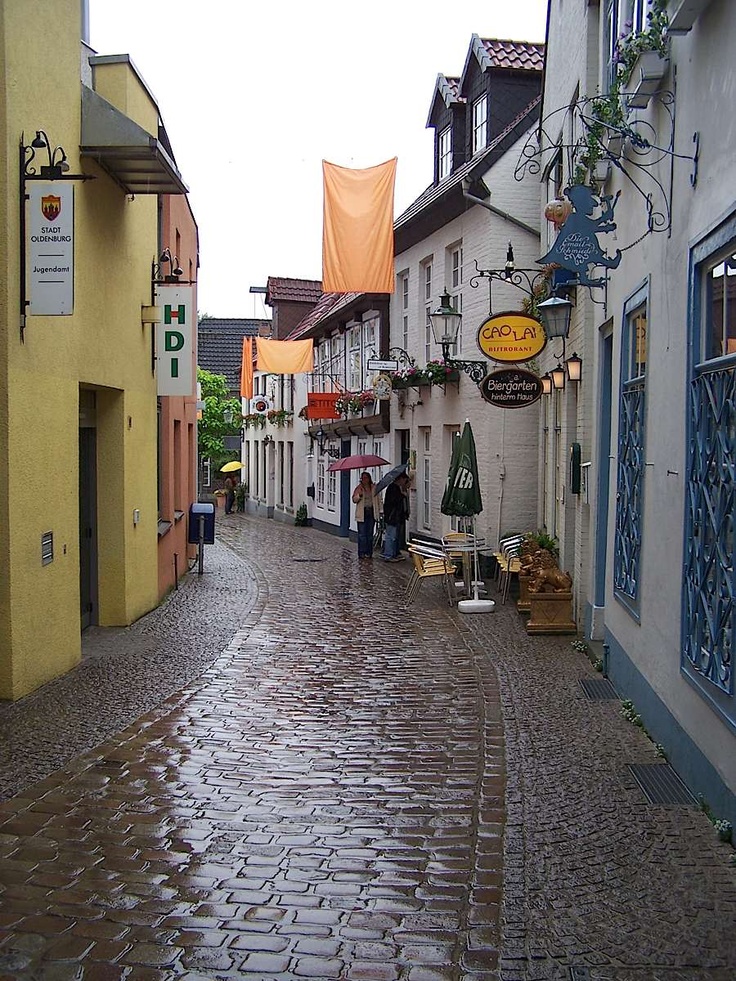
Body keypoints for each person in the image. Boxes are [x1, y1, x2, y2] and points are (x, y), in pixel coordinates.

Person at [352, 471, 380, 559]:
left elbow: (378, 500)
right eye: (363, 478)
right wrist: (359, 496)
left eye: (366, 478)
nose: (364, 480)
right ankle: (361, 553)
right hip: (362, 512)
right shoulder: (359, 488)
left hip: (371, 512)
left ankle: (369, 552)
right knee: (362, 535)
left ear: (369, 478)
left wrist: (380, 510)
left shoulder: (374, 488)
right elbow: (354, 500)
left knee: (370, 534)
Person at [382, 473, 410, 561]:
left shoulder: (397, 488)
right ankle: (388, 555)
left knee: (396, 536)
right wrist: (402, 495)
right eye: (405, 481)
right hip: (392, 516)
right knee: (391, 536)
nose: (404, 483)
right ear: (401, 479)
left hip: (397, 516)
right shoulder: (392, 488)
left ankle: (395, 553)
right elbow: (393, 501)